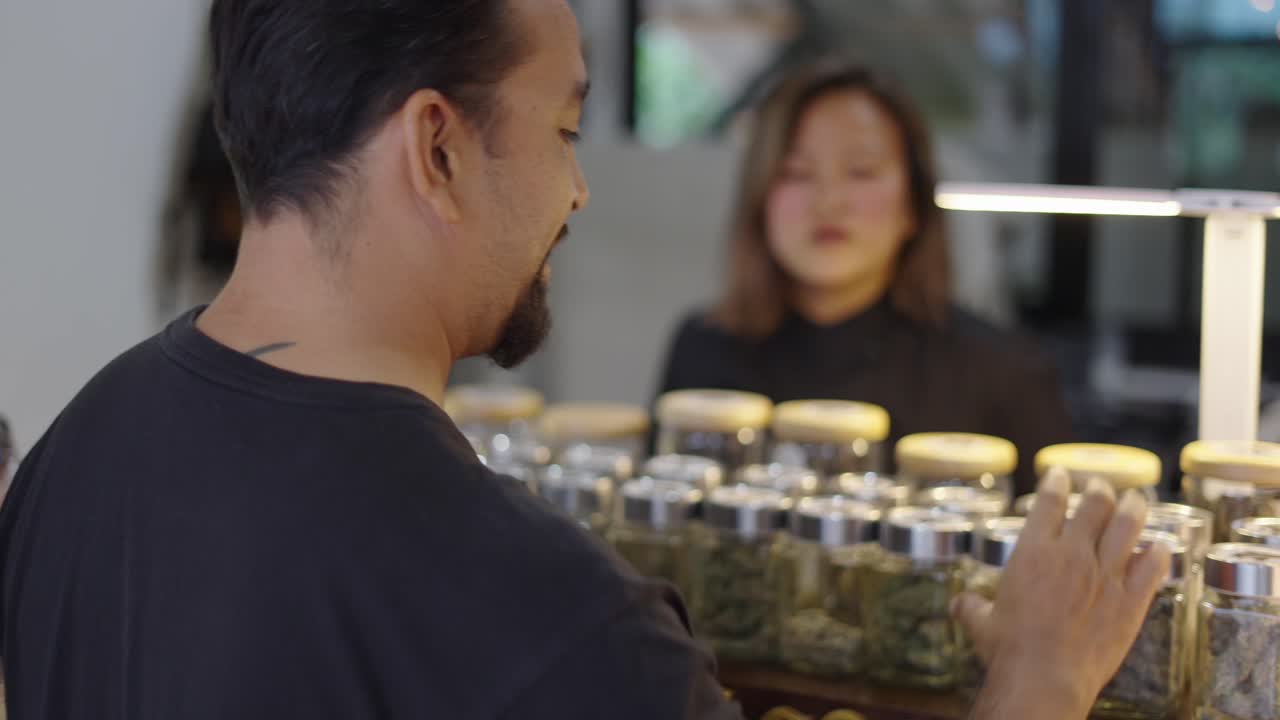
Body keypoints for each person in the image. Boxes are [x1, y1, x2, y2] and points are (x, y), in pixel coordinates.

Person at [0, 2, 1167, 719]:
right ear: (437, 150)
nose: (578, 188)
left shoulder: (74, 454)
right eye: (563, 129)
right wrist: (1038, 679)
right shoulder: (548, 616)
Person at [657, 62, 1073, 495]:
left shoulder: (1003, 373)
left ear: (913, 203)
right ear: (759, 199)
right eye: (796, 173)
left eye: (861, 171)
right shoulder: (703, 351)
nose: (829, 202)